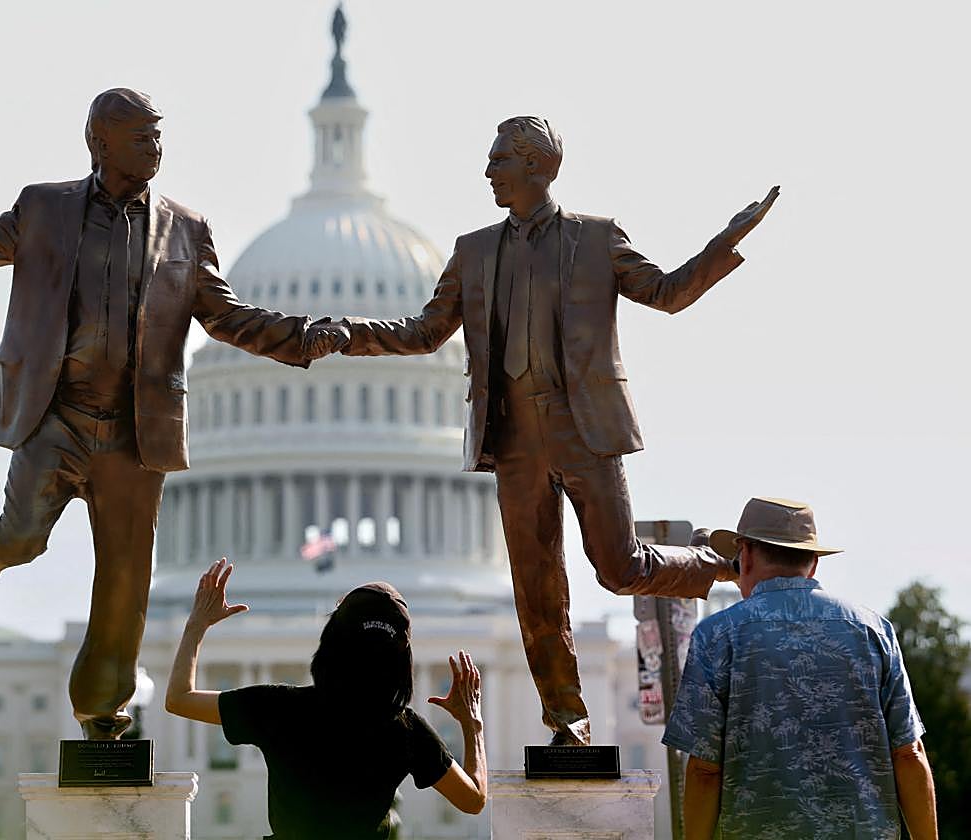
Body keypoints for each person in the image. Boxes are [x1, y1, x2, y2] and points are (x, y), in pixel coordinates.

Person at [0, 89, 348, 740]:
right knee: (23, 538)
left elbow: (225, 316)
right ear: (100, 143)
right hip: (57, 414)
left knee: (124, 578)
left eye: (159, 137)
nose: (155, 148)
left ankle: (101, 705)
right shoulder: (44, 208)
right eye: (141, 137)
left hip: (136, 431)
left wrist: (303, 336)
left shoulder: (185, 229)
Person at [303, 116, 777, 745]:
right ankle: (567, 720)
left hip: (584, 428)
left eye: (501, 159)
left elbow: (666, 293)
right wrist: (349, 333)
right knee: (537, 595)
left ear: (539, 167)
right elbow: (423, 333)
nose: (488, 171)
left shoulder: (596, 239)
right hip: (515, 438)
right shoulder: (474, 251)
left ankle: (714, 560)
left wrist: (725, 243)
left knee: (620, 568)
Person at [663, 497, 938, 839]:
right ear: (814, 564)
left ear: (744, 555)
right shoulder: (873, 630)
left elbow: (705, 770)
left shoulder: (717, 635)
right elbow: (909, 754)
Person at [166, 559, 487, 839]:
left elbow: (179, 699)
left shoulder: (280, 708)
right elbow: (473, 800)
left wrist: (197, 624)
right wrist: (472, 724)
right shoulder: (405, 730)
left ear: (332, 642)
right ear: (401, 660)